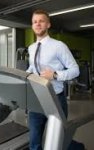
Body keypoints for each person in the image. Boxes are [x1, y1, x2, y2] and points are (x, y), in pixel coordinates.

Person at [26, 9, 80, 150]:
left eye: (41, 21)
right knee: (34, 141)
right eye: (35, 22)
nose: (37, 24)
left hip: (55, 99)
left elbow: (75, 70)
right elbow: (33, 67)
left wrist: (55, 75)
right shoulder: (31, 48)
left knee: (60, 139)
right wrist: (25, 75)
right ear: (32, 25)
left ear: (48, 24)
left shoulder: (59, 46)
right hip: (36, 98)